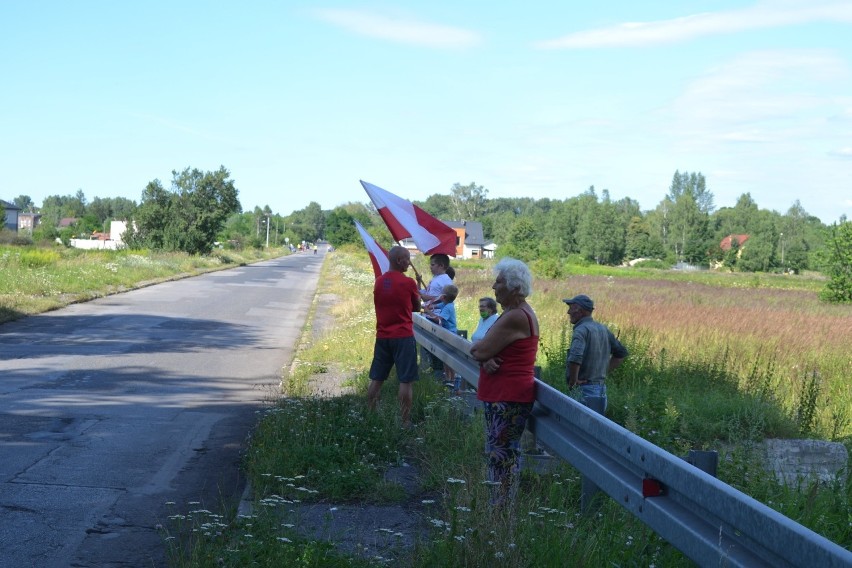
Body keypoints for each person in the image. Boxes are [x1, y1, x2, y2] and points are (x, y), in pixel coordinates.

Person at [470, 258, 538, 506]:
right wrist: (485, 357)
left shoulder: (515, 316)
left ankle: (501, 508)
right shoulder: (513, 313)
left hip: (507, 396)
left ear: (515, 288)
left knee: (502, 455)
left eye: (498, 282)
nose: (493, 286)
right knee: (501, 453)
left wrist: (483, 355)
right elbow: (484, 352)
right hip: (504, 394)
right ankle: (500, 506)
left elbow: (478, 350)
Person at [368, 246, 422, 427]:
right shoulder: (408, 283)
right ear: (399, 261)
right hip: (403, 337)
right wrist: (418, 284)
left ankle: (371, 416)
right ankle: (405, 421)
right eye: (407, 259)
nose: (409, 262)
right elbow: (416, 307)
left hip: (382, 336)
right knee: (406, 380)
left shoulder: (378, 281)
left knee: (377, 378)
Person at [563, 294, 628, 413]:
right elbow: (621, 354)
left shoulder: (581, 330)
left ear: (580, 311)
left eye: (571, 308)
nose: (568, 312)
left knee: (578, 429)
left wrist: (573, 381)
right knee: (593, 429)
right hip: (601, 390)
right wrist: (602, 372)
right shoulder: (603, 329)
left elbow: (575, 357)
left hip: (584, 391)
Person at [425, 284, 460, 389]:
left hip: (450, 334)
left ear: (444, 296)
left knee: (449, 357)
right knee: (445, 357)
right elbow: (432, 306)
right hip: (445, 333)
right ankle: (448, 378)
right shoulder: (444, 303)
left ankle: (453, 379)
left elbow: (439, 320)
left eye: (441, 294)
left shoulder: (448, 307)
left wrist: (428, 311)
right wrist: (434, 302)